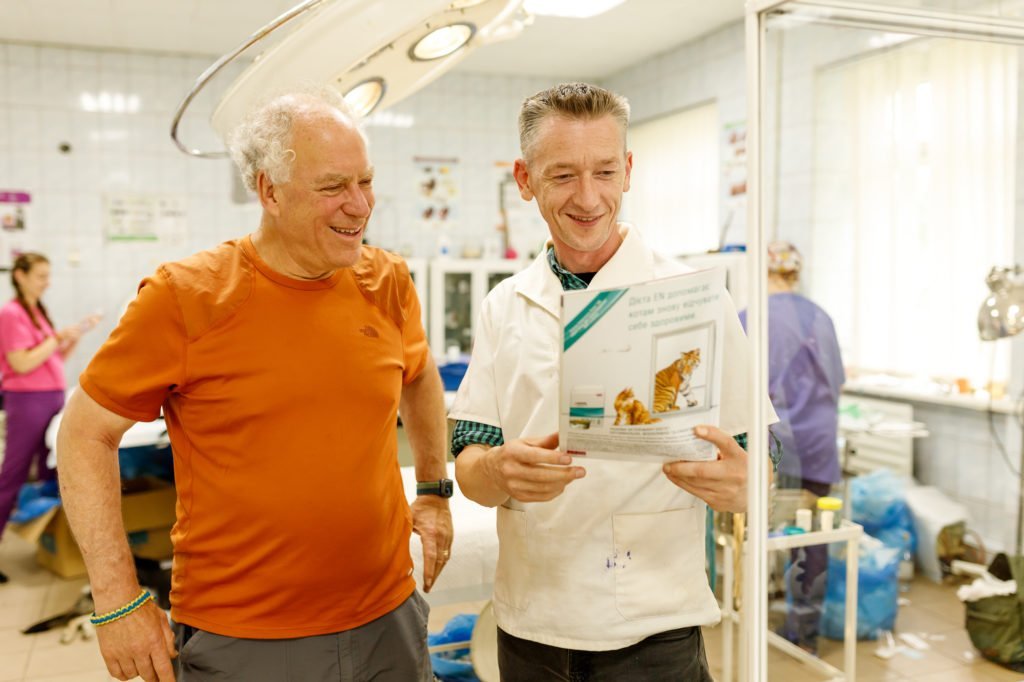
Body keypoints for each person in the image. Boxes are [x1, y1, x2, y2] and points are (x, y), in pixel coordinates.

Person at [56, 89, 452, 682]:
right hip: (247, 637)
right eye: (333, 187)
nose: (361, 205)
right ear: (268, 191)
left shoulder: (386, 279)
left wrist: (432, 489)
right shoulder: (186, 297)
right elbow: (84, 435)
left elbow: (419, 377)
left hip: (387, 620)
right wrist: (117, 599)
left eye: (366, 181)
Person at [449, 82, 777, 681]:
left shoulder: (695, 300)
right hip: (532, 623)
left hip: (655, 627)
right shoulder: (505, 306)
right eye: (562, 176)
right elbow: (470, 464)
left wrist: (743, 486)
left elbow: (758, 470)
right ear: (524, 180)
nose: (589, 197)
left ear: (627, 171)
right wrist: (497, 472)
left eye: (604, 171)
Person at [739, 241, 845, 651]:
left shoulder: (751, 318)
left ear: (762, 271)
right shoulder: (822, 318)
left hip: (775, 445)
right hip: (817, 443)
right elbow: (837, 382)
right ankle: (806, 633)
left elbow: (734, 386)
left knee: (761, 534)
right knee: (813, 537)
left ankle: (751, 624)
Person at [0, 252, 99, 584]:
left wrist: (71, 338)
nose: (48, 282)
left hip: (49, 397)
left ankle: (48, 543)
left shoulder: (38, 312)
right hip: (27, 400)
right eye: (41, 276)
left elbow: (50, 358)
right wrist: (56, 339)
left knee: (47, 471)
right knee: (13, 475)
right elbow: (23, 364)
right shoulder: (12, 314)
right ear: (21, 276)